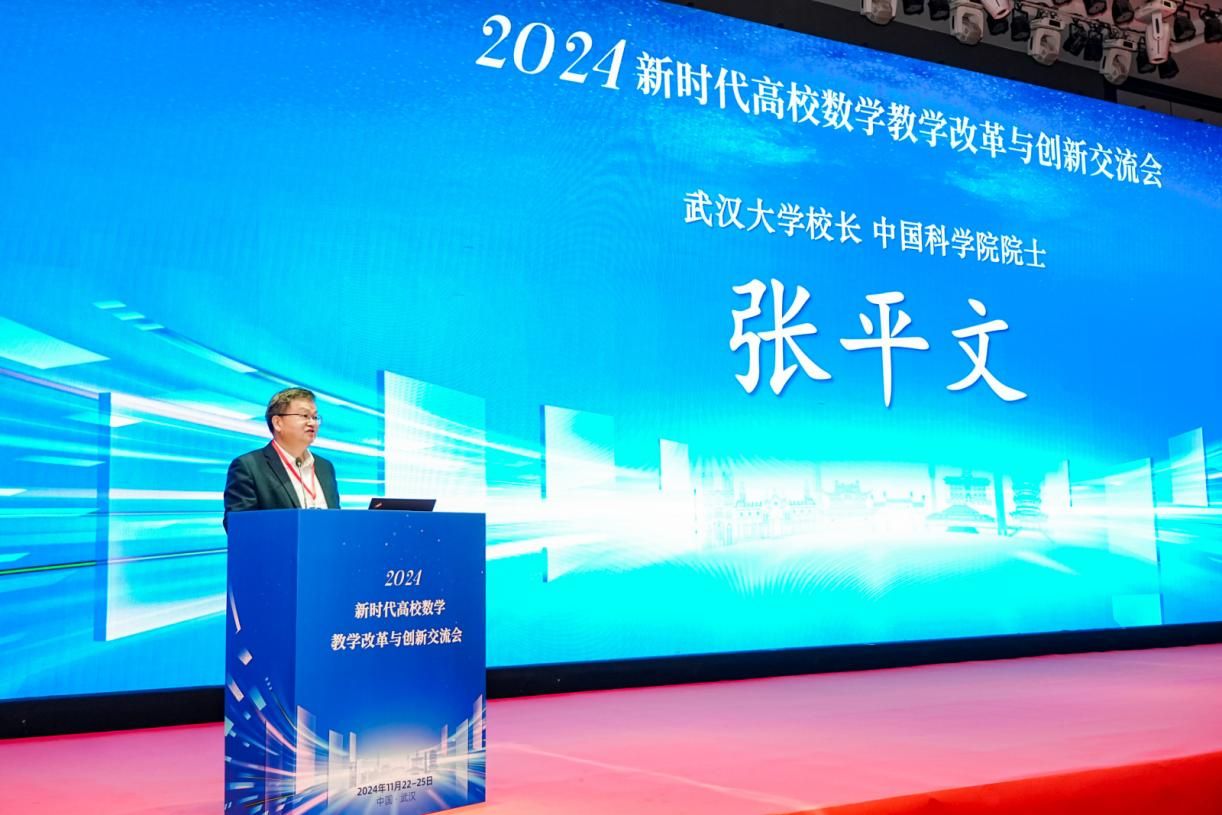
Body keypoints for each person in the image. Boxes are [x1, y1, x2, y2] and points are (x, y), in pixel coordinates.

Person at [223, 387, 341, 530]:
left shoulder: (325, 467)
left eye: (315, 417)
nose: (312, 422)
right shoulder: (249, 467)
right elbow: (240, 528)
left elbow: (337, 522)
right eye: (304, 415)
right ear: (278, 423)